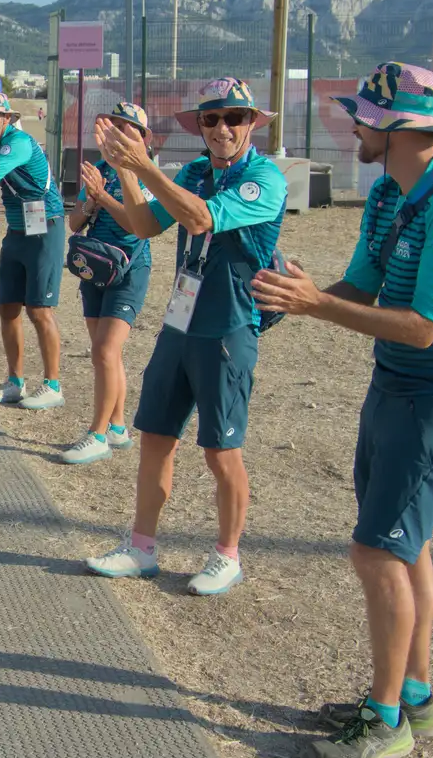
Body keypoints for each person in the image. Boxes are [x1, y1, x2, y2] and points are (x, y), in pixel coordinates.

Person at [251, 63, 433, 758]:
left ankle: (384, 717)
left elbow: (424, 326)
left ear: (391, 128)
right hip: (396, 383)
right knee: (404, 541)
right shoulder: (391, 192)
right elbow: (362, 284)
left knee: (378, 550)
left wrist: (315, 305)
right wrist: (287, 297)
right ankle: (415, 698)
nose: (350, 127)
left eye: (360, 116)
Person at [83, 77, 285, 596]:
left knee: (221, 451)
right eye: (211, 119)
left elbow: (200, 219)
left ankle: (227, 555)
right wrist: (129, 171)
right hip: (181, 320)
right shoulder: (195, 170)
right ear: (200, 126)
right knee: (155, 435)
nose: (222, 129)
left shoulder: (264, 177)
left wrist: (143, 163)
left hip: (228, 325)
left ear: (251, 124)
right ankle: (141, 547)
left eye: (234, 118)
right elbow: (147, 224)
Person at [59, 102, 154, 465]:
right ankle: (116, 426)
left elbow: (136, 224)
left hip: (127, 270)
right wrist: (89, 203)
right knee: (106, 353)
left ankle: (97, 434)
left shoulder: (147, 174)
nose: (119, 133)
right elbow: (75, 222)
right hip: (95, 267)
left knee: (104, 350)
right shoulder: (98, 169)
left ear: (143, 138)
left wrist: (102, 196)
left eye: (128, 128)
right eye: (114, 126)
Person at [0, 90, 66, 411]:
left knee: (40, 311)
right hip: (17, 229)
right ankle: (15, 381)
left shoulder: (18, 143)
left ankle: (52, 384)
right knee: (8, 308)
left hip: (45, 227)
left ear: (7, 118)